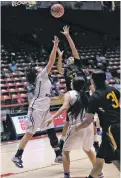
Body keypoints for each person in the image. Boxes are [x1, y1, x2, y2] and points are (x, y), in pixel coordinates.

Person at [12, 36, 62, 168]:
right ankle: (17, 156)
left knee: (51, 130)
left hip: (44, 108)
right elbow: (51, 61)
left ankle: (58, 155)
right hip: (36, 109)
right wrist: (55, 47)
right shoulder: (41, 76)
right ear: (36, 73)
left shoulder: (42, 77)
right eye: (38, 67)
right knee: (29, 134)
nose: (40, 67)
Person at [45, 76, 104, 178]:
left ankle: (66, 175)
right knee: (88, 149)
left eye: (72, 81)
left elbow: (64, 107)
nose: (70, 82)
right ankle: (99, 173)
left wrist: (52, 117)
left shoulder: (70, 94)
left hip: (76, 126)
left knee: (65, 151)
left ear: (74, 84)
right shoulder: (87, 94)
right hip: (88, 126)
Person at [57, 25, 100, 153]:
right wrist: (59, 56)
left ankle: (96, 141)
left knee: (92, 119)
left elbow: (74, 49)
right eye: (68, 58)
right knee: (68, 120)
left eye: (72, 57)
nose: (71, 58)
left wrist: (67, 36)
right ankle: (62, 140)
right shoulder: (65, 70)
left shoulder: (77, 64)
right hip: (73, 95)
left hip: (85, 94)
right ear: (66, 61)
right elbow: (59, 69)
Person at [76, 70, 120, 178]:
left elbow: (88, 121)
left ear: (92, 81)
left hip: (111, 130)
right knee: (100, 159)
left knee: (116, 159)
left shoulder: (95, 97)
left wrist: (78, 128)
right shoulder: (114, 90)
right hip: (114, 127)